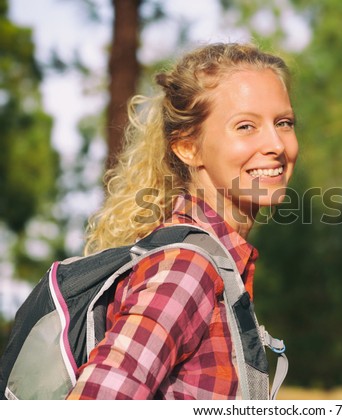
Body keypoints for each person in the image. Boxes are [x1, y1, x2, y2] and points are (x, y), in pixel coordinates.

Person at [66, 42, 298, 399]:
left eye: (283, 123)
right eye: (246, 126)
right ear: (188, 147)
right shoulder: (188, 266)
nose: (277, 145)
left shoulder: (215, 263)